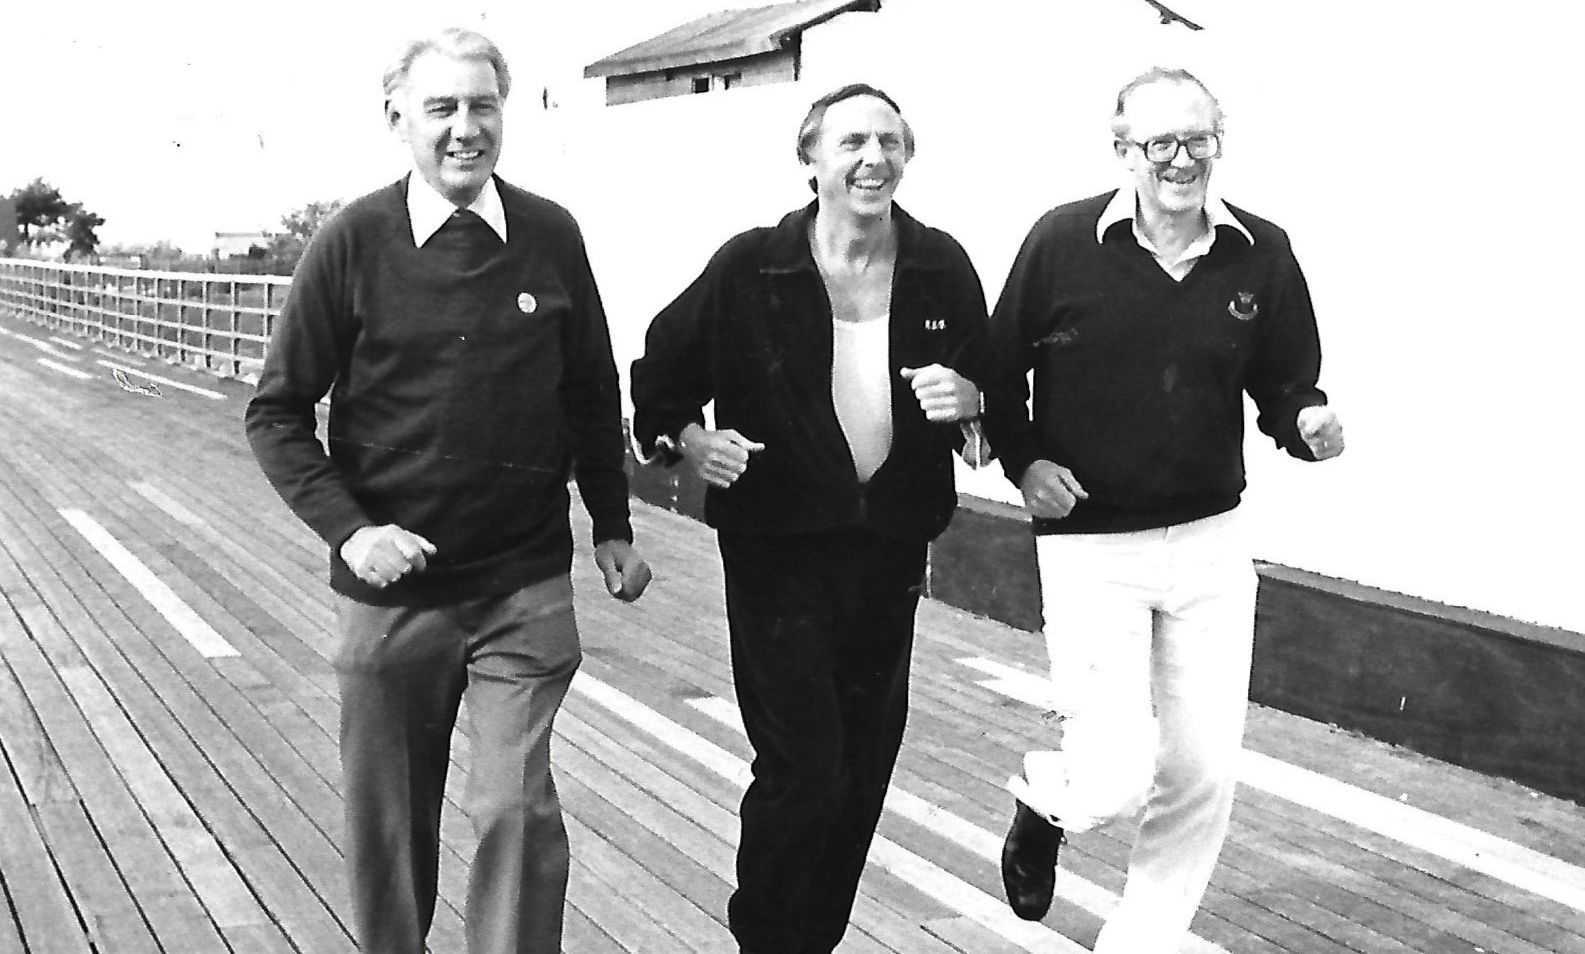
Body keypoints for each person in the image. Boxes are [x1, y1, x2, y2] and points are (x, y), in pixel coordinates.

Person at [244, 28, 650, 954]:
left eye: (482, 106)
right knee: (390, 828)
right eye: (441, 109)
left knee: (514, 808)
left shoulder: (551, 234)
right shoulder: (352, 241)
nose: (465, 129)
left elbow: (590, 388)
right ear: (397, 121)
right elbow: (275, 413)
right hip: (391, 594)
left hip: (523, 582)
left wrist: (612, 525)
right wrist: (352, 534)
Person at [982, 67, 1345, 952]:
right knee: (1111, 774)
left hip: (1211, 544)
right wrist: (1023, 462)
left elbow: (1284, 378)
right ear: (1123, 152)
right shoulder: (1061, 241)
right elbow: (996, 368)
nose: (1180, 161)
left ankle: (1139, 941)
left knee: (1201, 772)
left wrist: (1307, 421)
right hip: (1091, 546)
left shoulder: (1262, 249)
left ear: (1217, 143)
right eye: (1158, 144)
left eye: (1197, 141)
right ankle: (1047, 799)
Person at [630, 83, 991, 954]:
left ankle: (808, 943)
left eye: (889, 142)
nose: (873, 158)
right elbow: (660, 375)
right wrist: (691, 440)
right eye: (851, 142)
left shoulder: (941, 265)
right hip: (778, 547)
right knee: (803, 765)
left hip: (891, 545)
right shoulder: (751, 266)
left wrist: (972, 399)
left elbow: (994, 401)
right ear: (810, 160)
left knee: (861, 771)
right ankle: (766, 941)